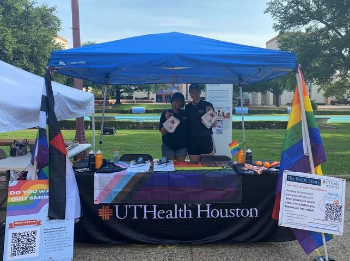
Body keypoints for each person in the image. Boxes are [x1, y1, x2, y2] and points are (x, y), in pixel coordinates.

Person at [185, 83, 216, 162]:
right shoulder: (188, 107)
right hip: (192, 140)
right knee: (194, 166)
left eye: (196, 91)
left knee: (207, 166)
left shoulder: (207, 105)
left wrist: (208, 114)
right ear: (189, 93)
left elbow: (214, 124)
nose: (194, 94)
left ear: (200, 92)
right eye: (192, 92)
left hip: (206, 139)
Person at [159, 92, 188, 161]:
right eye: (176, 100)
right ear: (172, 101)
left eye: (180, 100)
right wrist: (169, 120)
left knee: (180, 167)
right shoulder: (166, 114)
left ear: (183, 103)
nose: (178, 102)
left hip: (182, 146)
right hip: (168, 145)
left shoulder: (185, 114)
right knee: (168, 168)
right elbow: (163, 132)